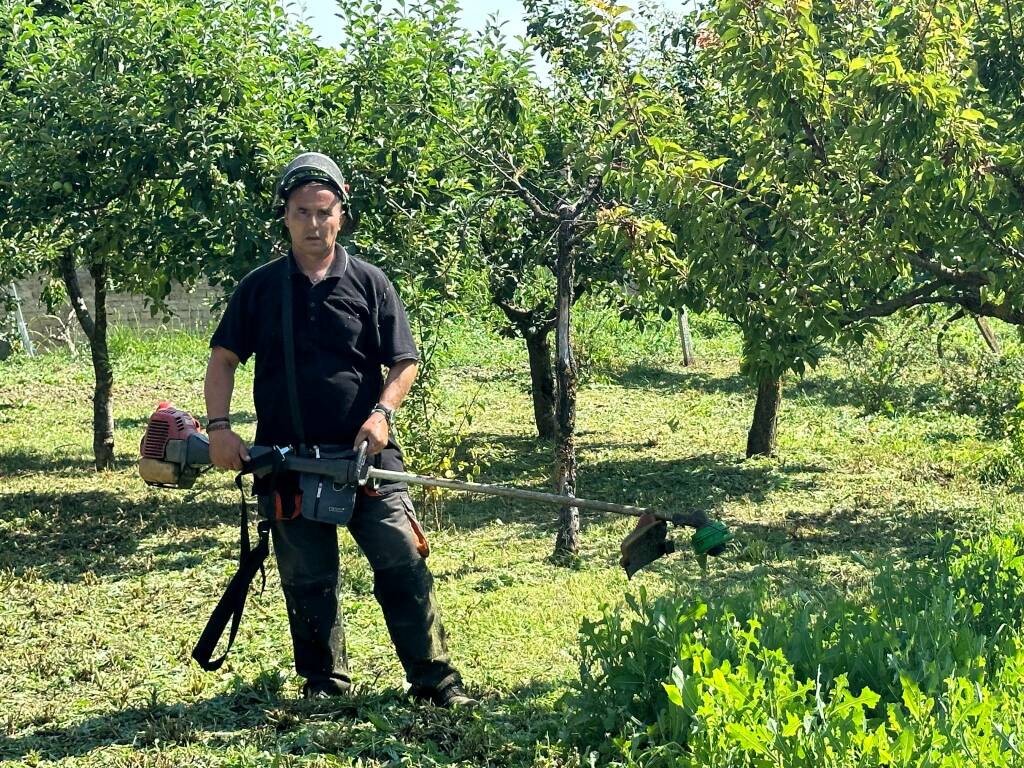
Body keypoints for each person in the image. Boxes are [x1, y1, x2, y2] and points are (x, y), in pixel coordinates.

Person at [203, 151, 473, 706]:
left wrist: (383, 414)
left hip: (366, 462)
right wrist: (220, 427)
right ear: (285, 216)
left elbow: (404, 362)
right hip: (288, 463)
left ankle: (435, 682)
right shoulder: (260, 289)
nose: (313, 224)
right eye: (302, 212)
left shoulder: (370, 283)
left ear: (341, 215)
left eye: (324, 212)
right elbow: (223, 359)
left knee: (402, 563)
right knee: (308, 580)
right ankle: (325, 684)